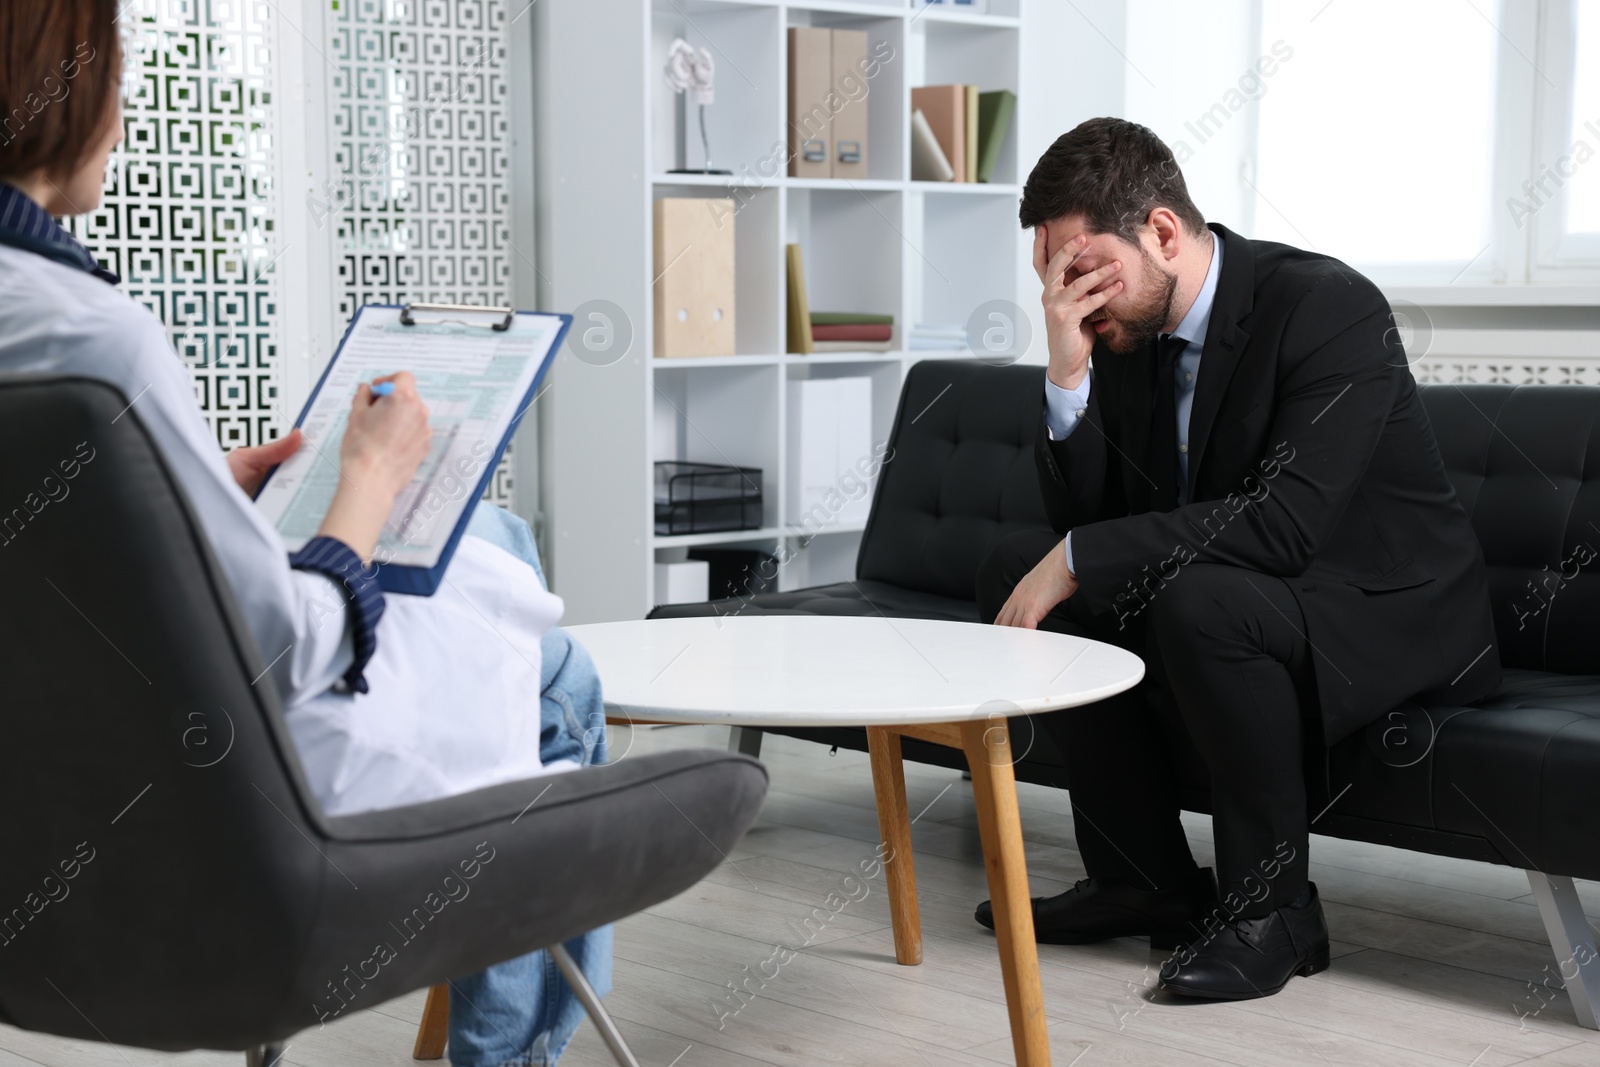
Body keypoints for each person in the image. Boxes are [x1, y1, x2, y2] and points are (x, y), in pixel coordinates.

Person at [0, 3, 607, 1062]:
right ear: (58, 98)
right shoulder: (98, 337)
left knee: (496, 536)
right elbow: (289, 650)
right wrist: (366, 478)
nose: (124, 116)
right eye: (117, 83)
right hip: (236, 798)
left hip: (55, 781)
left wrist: (197, 488)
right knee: (560, 680)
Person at [972, 118, 1501, 1001]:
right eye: (1052, 280)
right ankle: (1143, 880)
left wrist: (1083, 553)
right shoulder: (1130, 327)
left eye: (1080, 270)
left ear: (1164, 233)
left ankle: (1277, 912)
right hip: (1251, 590)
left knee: (1196, 604)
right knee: (1023, 576)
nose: (1069, 297)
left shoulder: (1330, 309)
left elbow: (1287, 524)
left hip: (1384, 607)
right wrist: (1067, 372)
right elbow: (1089, 524)